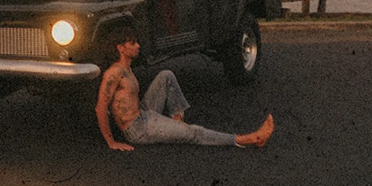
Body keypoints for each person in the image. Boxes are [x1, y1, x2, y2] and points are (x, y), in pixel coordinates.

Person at [96, 34, 274, 151]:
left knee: (166, 75)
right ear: (121, 48)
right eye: (133, 43)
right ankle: (248, 139)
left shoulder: (127, 69)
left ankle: (176, 121)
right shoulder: (114, 73)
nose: (138, 46)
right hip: (137, 129)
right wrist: (111, 142)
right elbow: (100, 107)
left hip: (143, 114)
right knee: (193, 133)